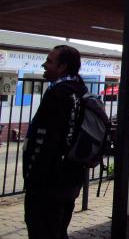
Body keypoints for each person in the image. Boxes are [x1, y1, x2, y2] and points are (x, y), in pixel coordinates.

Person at [23, 45, 88, 239]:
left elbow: (45, 142)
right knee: (58, 230)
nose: (44, 64)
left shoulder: (58, 95)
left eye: (50, 61)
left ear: (62, 67)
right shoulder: (80, 91)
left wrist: (31, 176)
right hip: (71, 177)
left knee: (42, 230)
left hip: (48, 183)